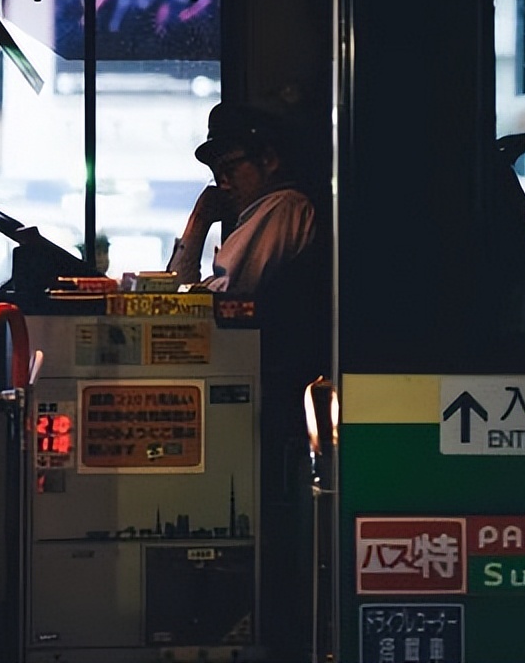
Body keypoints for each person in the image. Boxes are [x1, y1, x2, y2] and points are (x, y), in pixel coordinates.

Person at [169, 101, 326, 663]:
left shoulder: (281, 207)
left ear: (269, 157)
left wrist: (198, 221)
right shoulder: (262, 211)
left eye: (232, 165)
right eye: (215, 171)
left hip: (277, 399)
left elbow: (206, 304)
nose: (223, 180)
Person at [167, 101, 316, 297]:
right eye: (217, 175)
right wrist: (199, 222)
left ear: (268, 160)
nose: (223, 184)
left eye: (230, 169)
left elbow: (224, 296)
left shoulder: (283, 205)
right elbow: (177, 294)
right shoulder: (254, 215)